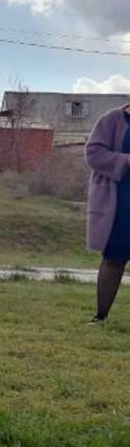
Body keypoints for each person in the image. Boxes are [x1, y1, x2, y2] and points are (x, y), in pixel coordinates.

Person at [85, 103, 130, 323]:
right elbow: (93, 154)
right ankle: (100, 316)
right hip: (119, 202)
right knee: (114, 258)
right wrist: (125, 160)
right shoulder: (112, 119)